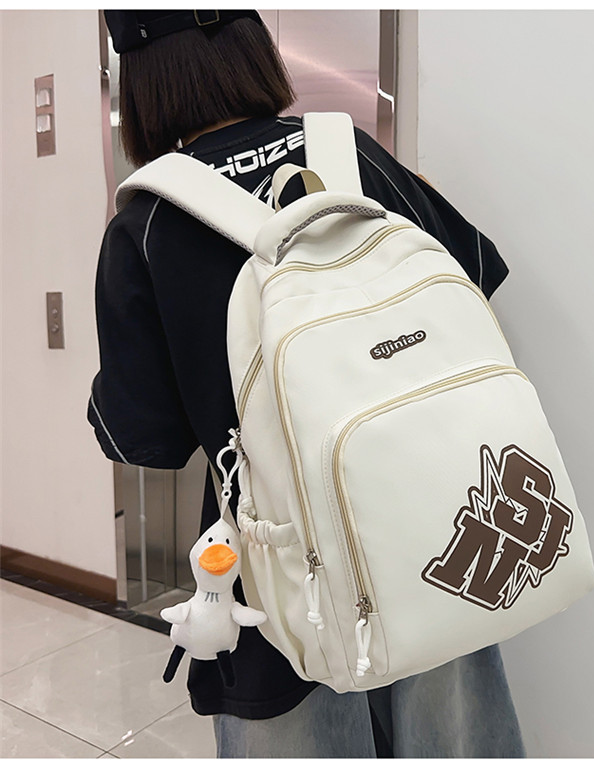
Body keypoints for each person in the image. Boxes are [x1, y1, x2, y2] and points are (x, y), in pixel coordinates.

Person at [90, 9, 526, 759]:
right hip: (432, 526)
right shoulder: (349, 154)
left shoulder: (148, 221)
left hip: (275, 571)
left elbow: (144, 439)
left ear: (141, 81)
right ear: (252, 47)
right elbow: (475, 274)